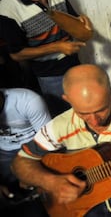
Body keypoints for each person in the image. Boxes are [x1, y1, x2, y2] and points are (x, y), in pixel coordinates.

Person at [11, 64, 111, 217]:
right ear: (67, 100)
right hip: (79, 200)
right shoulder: (60, 125)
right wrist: (52, 183)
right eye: (83, 113)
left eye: (101, 110)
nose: (94, 121)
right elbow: (20, 163)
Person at [0, 0, 92, 117]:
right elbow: (16, 54)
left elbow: (74, 24)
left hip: (74, 65)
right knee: (66, 119)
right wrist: (57, 47)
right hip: (50, 75)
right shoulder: (8, 8)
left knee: (86, 111)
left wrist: (84, 26)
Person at [0, 87, 50, 215]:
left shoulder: (28, 101)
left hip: (35, 147)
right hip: (4, 151)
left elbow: (50, 143)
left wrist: (29, 172)